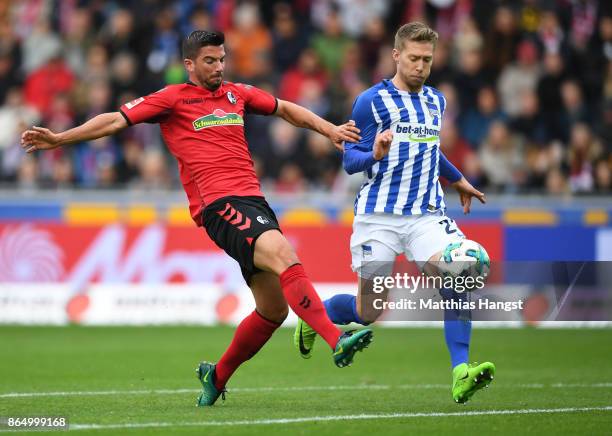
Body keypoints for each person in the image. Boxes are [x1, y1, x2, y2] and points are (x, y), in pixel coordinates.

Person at [21, 30, 373, 407]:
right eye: (210, 61)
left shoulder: (236, 94)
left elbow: (286, 108)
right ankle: (336, 341)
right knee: (285, 256)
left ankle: (216, 376)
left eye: (221, 59)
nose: (218, 67)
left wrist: (331, 129)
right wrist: (60, 139)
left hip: (253, 202)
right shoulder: (172, 98)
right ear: (189, 64)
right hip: (219, 206)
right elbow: (115, 120)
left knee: (273, 310)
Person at [293, 22, 496, 404]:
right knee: (369, 312)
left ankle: (460, 370)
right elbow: (349, 158)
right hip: (379, 217)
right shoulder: (370, 101)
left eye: (428, 60)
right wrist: (375, 154)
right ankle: (315, 317)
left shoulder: (437, 101)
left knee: (458, 275)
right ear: (396, 55)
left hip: (425, 215)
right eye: (415, 58)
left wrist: (457, 179)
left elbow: (429, 150)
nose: (421, 66)